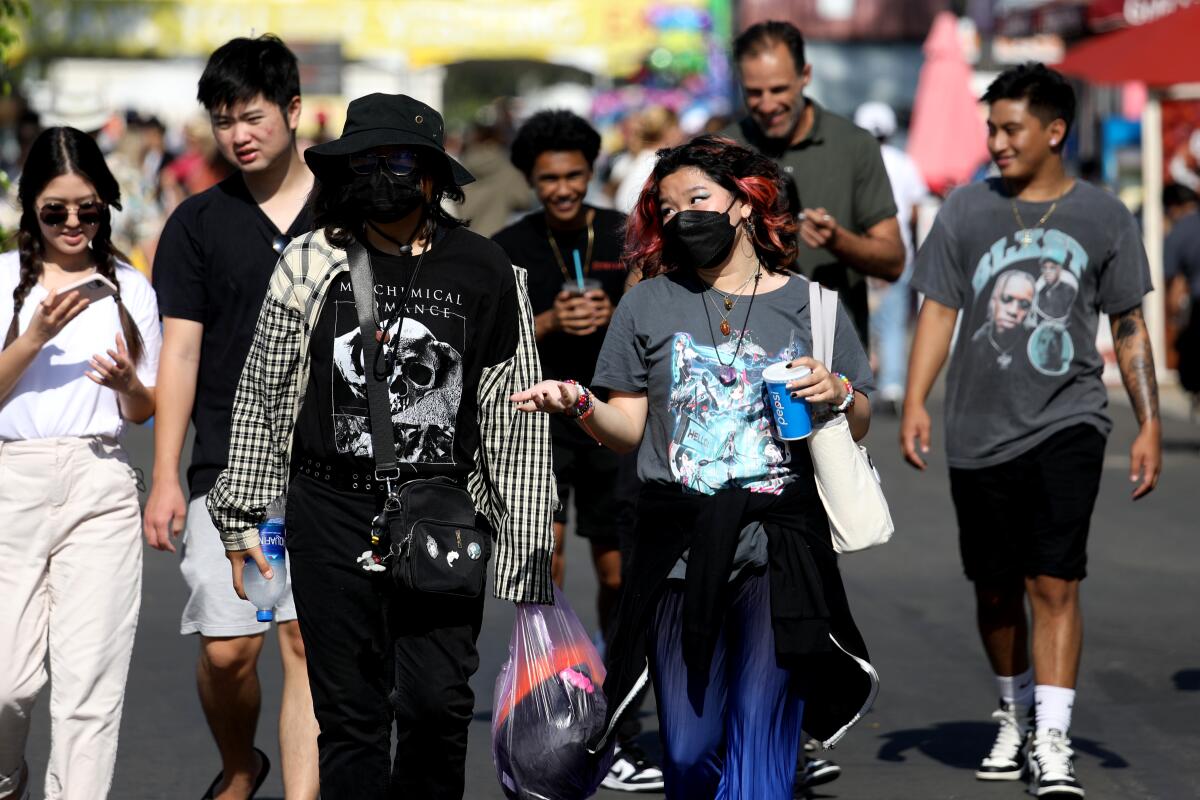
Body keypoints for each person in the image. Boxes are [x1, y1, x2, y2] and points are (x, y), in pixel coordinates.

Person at [206, 92, 556, 799]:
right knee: (351, 718)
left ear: (432, 174)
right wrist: (242, 518)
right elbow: (265, 394)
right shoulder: (311, 260)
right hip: (328, 509)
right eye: (364, 161)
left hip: (441, 512)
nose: (381, 176)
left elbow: (509, 414)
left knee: (437, 706)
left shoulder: (486, 269)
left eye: (398, 160)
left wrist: (526, 541)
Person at [511, 134, 878, 800]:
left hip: (778, 547)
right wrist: (578, 404)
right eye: (670, 208)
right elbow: (626, 430)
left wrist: (841, 393)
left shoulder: (813, 305)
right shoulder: (648, 303)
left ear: (744, 203)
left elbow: (859, 420)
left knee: (763, 745)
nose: (684, 217)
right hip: (677, 549)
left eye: (699, 199)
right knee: (687, 748)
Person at [902, 63, 1161, 798]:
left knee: (1054, 579)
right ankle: (1013, 711)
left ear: (1054, 132)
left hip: (1069, 420)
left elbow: (1130, 323)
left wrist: (1147, 425)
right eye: (991, 127)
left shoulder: (1105, 215)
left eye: (1011, 128)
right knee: (994, 590)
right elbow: (940, 311)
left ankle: (1052, 737)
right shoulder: (963, 211)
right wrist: (916, 398)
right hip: (977, 427)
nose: (997, 141)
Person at [142, 35, 319, 800]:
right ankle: (241, 764)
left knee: (304, 641)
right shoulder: (196, 224)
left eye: (251, 116)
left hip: (330, 466)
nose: (238, 135)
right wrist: (165, 478)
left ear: (292, 109)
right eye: (222, 121)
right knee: (228, 652)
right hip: (229, 466)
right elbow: (178, 355)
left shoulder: (348, 209)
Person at [492, 109, 663, 793]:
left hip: (613, 418)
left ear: (590, 173)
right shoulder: (509, 244)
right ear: (531, 180)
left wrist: (616, 309)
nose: (561, 190)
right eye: (547, 179)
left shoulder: (627, 236)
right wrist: (549, 321)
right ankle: (556, 706)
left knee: (619, 572)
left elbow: (656, 314)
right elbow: (490, 336)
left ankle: (619, 715)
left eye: (572, 176)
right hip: (540, 424)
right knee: (549, 566)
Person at [0, 127, 161, 800]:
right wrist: (33, 336)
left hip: (101, 483)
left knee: (88, 688)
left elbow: (145, 407)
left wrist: (127, 383)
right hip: (13, 479)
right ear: (29, 207)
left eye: (88, 209)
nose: (73, 223)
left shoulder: (130, 289)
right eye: (55, 210)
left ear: (107, 206)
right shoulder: (6, 279)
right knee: (8, 684)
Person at [724, 20, 904, 345]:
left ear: (805, 76)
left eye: (778, 89)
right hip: (740, 354)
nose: (766, 104)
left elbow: (893, 262)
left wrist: (839, 240)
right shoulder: (723, 149)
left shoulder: (854, 145)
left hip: (833, 352)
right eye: (754, 92)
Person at [855, 100, 929, 412]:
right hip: (897, 255)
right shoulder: (903, 162)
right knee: (893, 324)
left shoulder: (852, 162)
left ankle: (857, 384)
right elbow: (914, 211)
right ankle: (892, 386)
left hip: (858, 253)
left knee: (857, 320)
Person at [1164, 184, 1200, 406]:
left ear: (1173, 207)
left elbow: (1175, 287)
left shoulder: (1178, 233)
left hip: (1198, 307)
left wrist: (1174, 322)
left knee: (1192, 368)